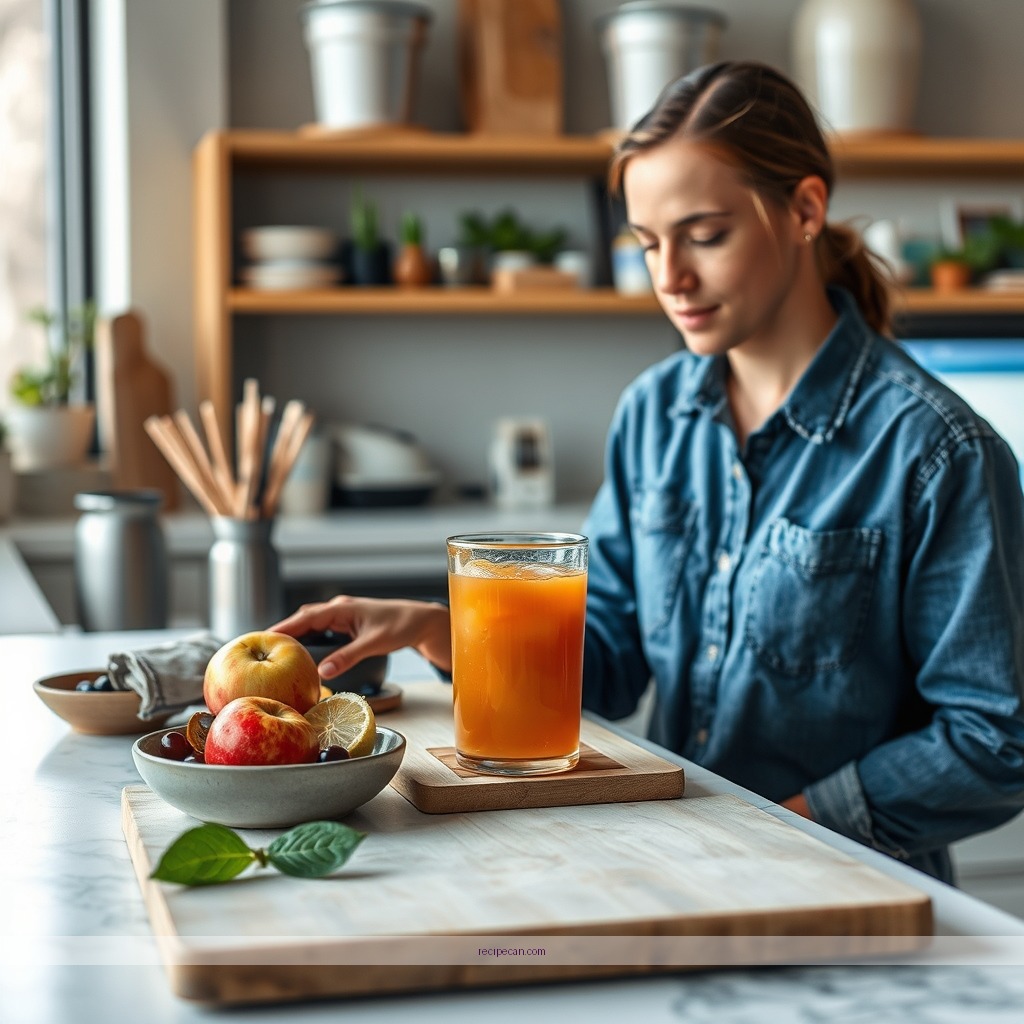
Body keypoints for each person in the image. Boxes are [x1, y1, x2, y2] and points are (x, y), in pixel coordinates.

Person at [272, 61, 1024, 883]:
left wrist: (785, 828)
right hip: (673, 865)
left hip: (848, 885)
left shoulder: (938, 450)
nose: (671, 278)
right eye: (648, 243)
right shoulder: (654, 414)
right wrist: (435, 627)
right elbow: (610, 656)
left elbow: (997, 740)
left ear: (806, 209)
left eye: (705, 235)